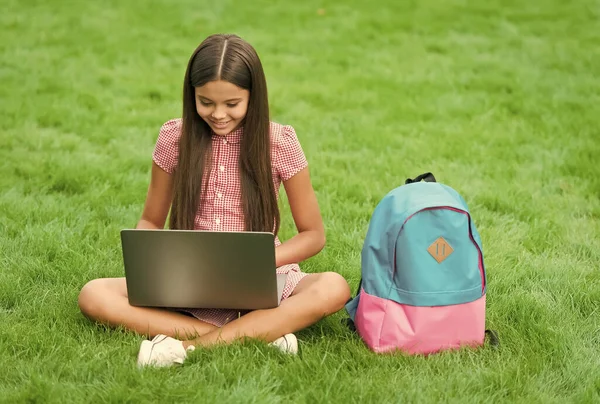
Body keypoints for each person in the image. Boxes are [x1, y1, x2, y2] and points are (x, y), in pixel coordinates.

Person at [77, 34, 351, 367]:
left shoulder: (279, 141)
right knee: (93, 294)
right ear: (191, 94)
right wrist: (154, 262)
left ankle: (188, 345)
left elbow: (313, 234)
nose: (218, 114)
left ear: (254, 96)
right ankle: (258, 333)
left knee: (333, 287)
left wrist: (266, 261)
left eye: (232, 104)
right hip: (190, 279)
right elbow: (151, 220)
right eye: (206, 102)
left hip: (264, 275)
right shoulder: (174, 137)